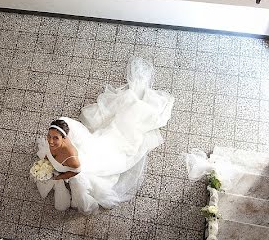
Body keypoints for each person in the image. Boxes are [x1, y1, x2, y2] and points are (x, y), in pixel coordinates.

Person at [35, 58, 174, 214]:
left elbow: (74, 172)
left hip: (100, 156)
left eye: (55, 138)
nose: (51, 141)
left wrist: (58, 177)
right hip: (94, 145)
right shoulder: (61, 141)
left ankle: (139, 109)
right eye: (50, 137)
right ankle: (133, 110)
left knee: (127, 130)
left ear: (65, 139)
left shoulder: (73, 158)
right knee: (117, 127)